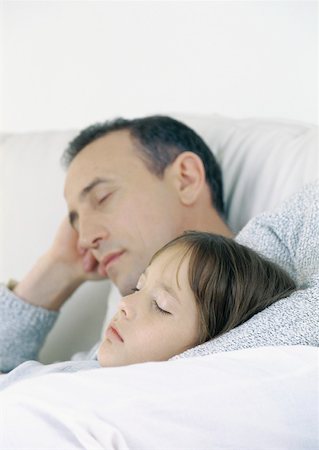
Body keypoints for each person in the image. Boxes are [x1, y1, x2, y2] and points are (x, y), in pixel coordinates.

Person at [0, 116, 318, 374]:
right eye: (76, 222)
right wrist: (55, 269)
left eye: (102, 197)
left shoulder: (272, 267)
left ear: (186, 178)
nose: (85, 239)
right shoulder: (108, 346)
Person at [0, 231, 296, 390]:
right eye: (138, 289)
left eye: (161, 306)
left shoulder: (119, 403)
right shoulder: (93, 365)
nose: (125, 304)